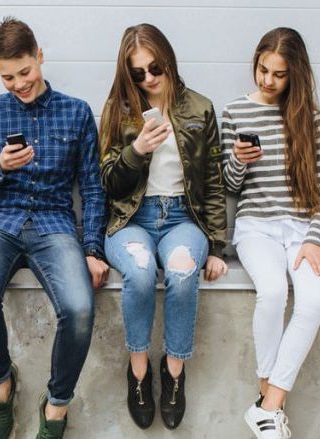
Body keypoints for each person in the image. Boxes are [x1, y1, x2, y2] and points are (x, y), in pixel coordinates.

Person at [0, 17, 108, 439]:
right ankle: (0, 384)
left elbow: (93, 189)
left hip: (53, 223)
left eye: (24, 72)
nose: (19, 84)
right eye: (7, 77)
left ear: (39, 56)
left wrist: (93, 249)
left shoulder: (77, 112)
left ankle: (57, 406)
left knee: (79, 309)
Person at [99, 23, 228, 430]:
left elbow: (212, 182)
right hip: (131, 218)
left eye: (155, 68)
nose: (149, 79)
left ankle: (174, 373)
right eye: (138, 73)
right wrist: (137, 150)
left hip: (182, 218)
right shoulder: (119, 110)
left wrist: (216, 246)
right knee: (139, 272)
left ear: (168, 61)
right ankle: (138, 372)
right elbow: (108, 183)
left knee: (183, 272)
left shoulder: (200, 108)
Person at [221, 27, 320, 439]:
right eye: (262, 70)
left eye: (279, 74)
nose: (267, 80)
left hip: (302, 228)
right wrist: (239, 160)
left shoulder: (309, 116)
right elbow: (229, 186)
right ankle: (267, 398)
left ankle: (269, 406)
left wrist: (315, 237)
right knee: (272, 292)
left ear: (295, 75)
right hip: (256, 227)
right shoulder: (235, 111)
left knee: (314, 298)